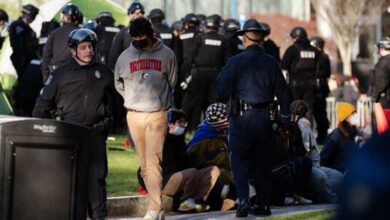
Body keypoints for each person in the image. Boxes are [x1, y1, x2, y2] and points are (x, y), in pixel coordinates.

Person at [32, 28, 114, 220]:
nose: (89, 51)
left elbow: (113, 105)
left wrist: (107, 122)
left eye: (91, 47)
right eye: (83, 47)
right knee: (68, 180)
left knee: (97, 178)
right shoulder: (60, 74)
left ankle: (99, 216)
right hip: (68, 135)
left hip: (95, 134)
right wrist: (43, 133)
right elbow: (42, 105)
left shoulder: (104, 72)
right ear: (73, 50)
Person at [217, 19, 291, 217]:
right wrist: (284, 119)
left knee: (239, 161)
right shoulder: (272, 62)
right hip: (265, 118)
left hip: (241, 118)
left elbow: (221, 91)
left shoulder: (235, 61)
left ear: (245, 38)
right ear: (260, 39)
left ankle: (243, 200)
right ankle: (263, 204)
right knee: (262, 163)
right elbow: (284, 95)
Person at [114, 17, 177, 220]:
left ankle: (155, 207)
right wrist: (131, 98)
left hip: (158, 113)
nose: (138, 40)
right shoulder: (125, 57)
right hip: (134, 114)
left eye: (142, 36)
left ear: (150, 34)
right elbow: (118, 83)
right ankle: (157, 208)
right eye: (135, 37)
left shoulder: (167, 54)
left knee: (153, 161)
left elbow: (172, 81)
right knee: (144, 165)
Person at [138, 109, 220, 212]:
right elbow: (144, 167)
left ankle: (196, 201)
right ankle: (183, 203)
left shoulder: (180, 141)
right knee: (191, 172)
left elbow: (185, 162)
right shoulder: (160, 140)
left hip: (178, 177)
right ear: (169, 123)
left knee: (213, 170)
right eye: (179, 122)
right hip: (163, 181)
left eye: (184, 123)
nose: (182, 126)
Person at [181, 15, 228, 132]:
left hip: (199, 74)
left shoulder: (200, 37)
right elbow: (226, 60)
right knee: (213, 102)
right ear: (218, 26)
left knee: (193, 101)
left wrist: (187, 75)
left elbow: (191, 56)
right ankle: (214, 128)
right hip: (216, 74)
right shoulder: (223, 40)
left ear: (207, 25)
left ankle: (184, 127)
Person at [290, 100, 343, 203]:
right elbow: (306, 150)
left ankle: (317, 195)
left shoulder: (303, 124)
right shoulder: (303, 123)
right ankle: (331, 199)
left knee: (338, 177)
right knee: (321, 177)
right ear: (306, 113)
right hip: (308, 167)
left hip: (316, 165)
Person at [187, 103, 236, 211]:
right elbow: (190, 163)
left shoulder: (225, 136)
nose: (228, 120)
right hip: (213, 182)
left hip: (229, 177)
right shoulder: (201, 141)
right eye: (225, 117)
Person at [41, 3, 81, 82]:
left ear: (66, 17)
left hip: (56, 74)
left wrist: (46, 77)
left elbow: (46, 56)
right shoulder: (82, 33)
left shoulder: (55, 33)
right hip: (75, 75)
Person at [282, 26, 319, 109]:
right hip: (310, 85)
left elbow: (284, 65)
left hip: (295, 86)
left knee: (295, 108)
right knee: (308, 109)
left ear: (296, 38)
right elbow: (319, 67)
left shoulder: (292, 49)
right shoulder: (314, 51)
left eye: (293, 38)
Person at [320, 102, 360, 173]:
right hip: (338, 176)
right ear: (345, 117)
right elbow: (323, 159)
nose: (355, 116)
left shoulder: (351, 133)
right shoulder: (335, 136)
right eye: (352, 114)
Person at [174, 13, 201, 109]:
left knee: (182, 98)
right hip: (198, 70)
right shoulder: (201, 36)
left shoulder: (180, 37)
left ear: (186, 24)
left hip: (183, 69)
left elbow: (177, 56)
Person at [108, 1, 144, 70]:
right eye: (133, 12)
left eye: (140, 13)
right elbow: (114, 53)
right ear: (128, 15)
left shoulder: (150, 31)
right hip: (128, 70)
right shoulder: (123, 32)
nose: (137, 15)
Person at [8, 4, 39, 77]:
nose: (34, 18)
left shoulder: (27, 27)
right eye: (33, 16)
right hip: (22, 60)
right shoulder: (18, 25)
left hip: (28, 58)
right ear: (28, 15)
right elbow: (19, 44)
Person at [310, 36, 331, 144]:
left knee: (320, 114)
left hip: (320, 90)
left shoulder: (323, 57)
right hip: (315, 90)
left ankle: (322, 135)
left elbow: (326, 73)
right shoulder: (316, 56)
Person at [372, 37, 390, 124]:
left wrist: (375, 96)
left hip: (384, 100)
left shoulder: (383, 62)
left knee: (383, 128)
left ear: (382, 48)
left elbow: (381, 81)